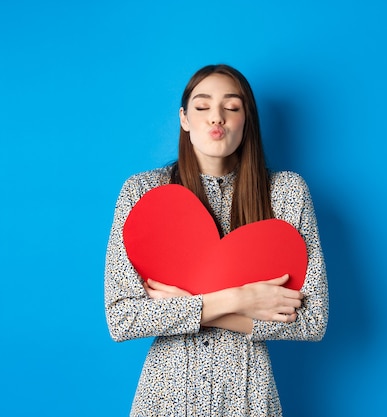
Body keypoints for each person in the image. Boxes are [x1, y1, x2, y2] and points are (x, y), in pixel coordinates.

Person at [104, 64, 328, 416]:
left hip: (248, 395)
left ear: (247, 119)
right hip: (167, 394)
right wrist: (242, 299)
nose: (216, 118)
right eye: (202, 106)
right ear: (184, 119)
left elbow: (313, 320)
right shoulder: (143, 193)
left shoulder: (287, 194)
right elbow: (123, 317)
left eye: (232, 107)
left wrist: (190, 305)